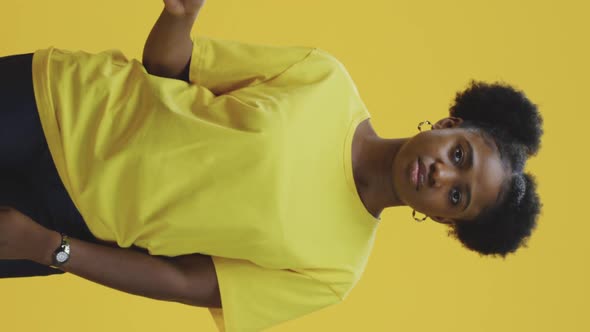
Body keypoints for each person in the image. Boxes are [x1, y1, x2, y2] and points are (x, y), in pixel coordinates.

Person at [0, 0, 543, 331]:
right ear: (448, 126)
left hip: (61, 218)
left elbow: (184, 281)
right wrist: (180, 16)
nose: (444, 175)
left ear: (448, 222)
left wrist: (52, 249)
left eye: (457, 197)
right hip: (59, 98)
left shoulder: (334, 272)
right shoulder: (325, 79)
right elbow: (172, 67)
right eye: (459, 156)